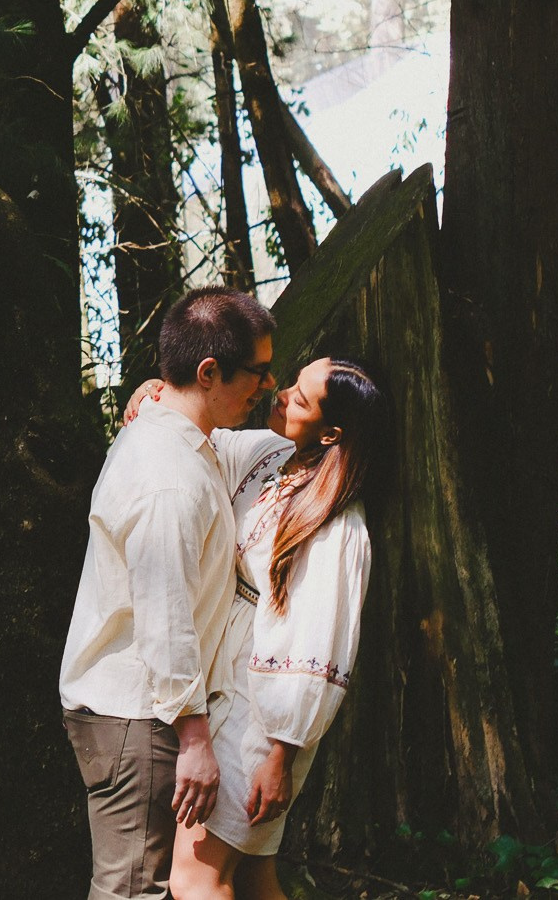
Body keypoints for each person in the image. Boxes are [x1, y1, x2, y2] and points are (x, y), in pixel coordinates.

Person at [123, 357, 389, 900]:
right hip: (231, 679)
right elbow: (199, 442)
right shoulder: (273, 458)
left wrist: (281, 756)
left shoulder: (338, 524)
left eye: (299, 398)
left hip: (266, 714)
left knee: (196, 875)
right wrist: (160, 392)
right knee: (251, 877)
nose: (282, 394)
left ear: (331, 432)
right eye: (292, 383)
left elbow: (321, 644)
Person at [62, 287, 278, 900]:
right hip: (140, 714)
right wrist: (194, 738)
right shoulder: (168, 478)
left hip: (143, 710)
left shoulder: (183, 436)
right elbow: (165, 618)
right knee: (133, 890)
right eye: (259, 372)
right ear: (209, 372)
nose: (267, 384)